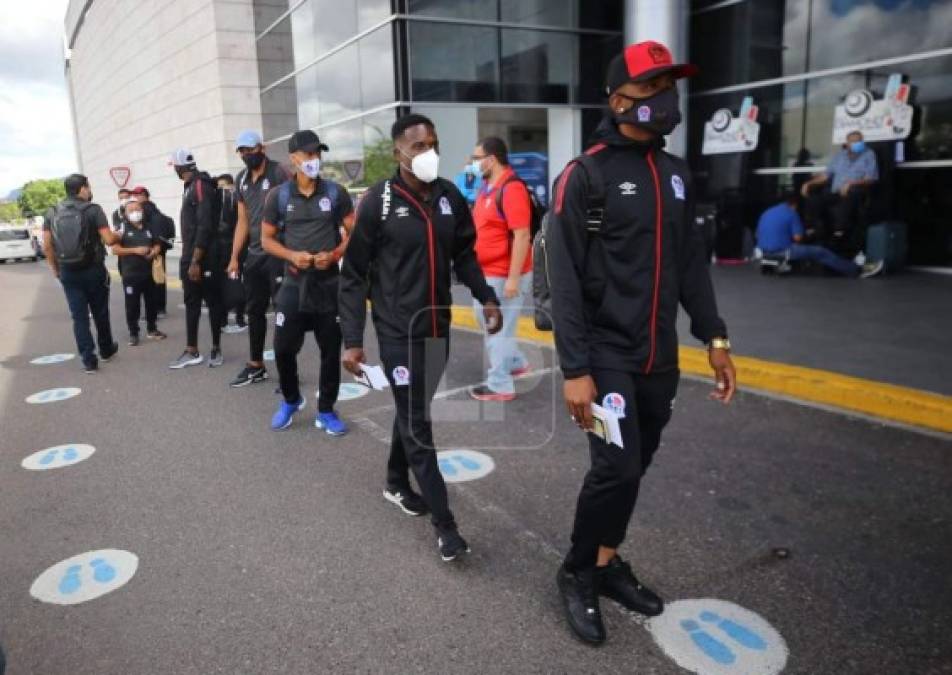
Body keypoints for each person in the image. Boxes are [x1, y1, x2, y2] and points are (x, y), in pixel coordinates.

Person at [547, 41, 737, 645]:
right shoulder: (585, 175)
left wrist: (714, 335)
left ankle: (605, 563)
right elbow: (563, 279)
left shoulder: (677, 175)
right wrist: (574, 368)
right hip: (603, 359)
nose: (667, 99)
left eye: (669, 86)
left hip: (660, 357)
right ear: (619, 98)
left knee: (636, 468)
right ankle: (577, 572)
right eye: (654, 87)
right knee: (615, 466)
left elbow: (691, 267)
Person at [340, 113, 503, 563]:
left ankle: (395, 481)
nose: (427, 152)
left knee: (413, 411)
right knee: (418, 422)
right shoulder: (378, 202)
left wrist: (486, 296)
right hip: (396, 331)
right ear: (398, 153)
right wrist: (353, 339)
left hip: (438, 327)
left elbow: (465, 254)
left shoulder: (450, 196)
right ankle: (445, 526)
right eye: (417, 146)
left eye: (432, 143)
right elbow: (353, 275)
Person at [259, 130, 352, 435]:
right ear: (294, 159)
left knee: (330, 350)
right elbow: (267, 239)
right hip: (294, 282)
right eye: (309, 155)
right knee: (283, 348)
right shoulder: (279, 196)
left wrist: (336, 253)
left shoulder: (336, 193)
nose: (314, 160)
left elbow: (354, 233)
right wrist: (291, 255)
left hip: (328, 284)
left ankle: (326, 410)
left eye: (318, 154)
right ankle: (291, 399)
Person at [468, 136, 533, 401]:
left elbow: (522, 235)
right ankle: (516, 362)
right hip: (487, 272)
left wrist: (513, 279)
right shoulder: (487, 186)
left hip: (504, 273)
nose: (472, 163)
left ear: (491, 159)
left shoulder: (512, 188)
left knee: (496, 326)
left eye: (476, 158)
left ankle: (500, 385)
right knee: (490, 322)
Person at [227, 129, 290, 387]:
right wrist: (234, 257)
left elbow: (293, 207)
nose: (246, 154)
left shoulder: (279, 173)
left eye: (250, 149)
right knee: (254, 310)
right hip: (253, 255)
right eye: (242, 151)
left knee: (284, 312)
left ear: (261, 148)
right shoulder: (241, 179)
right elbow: (242, 221)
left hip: (277, 252)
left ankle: (288, 372)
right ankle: (256, 365)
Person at [42, 173, 121, 373]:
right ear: (82, 189)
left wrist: (55, 269)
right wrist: (119, 234)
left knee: (79, 317)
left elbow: (47, 246)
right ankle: (106, 349)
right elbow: (109, 240)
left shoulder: (51, 212)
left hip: (68, 271)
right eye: (88, 186)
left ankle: (88, 360)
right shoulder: (93, 210)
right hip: (93, 270)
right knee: (100, 311)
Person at [168, 148, 225, 369]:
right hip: (190, 255)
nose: (174, 169)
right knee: (191, 302)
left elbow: (205, 224)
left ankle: (216, 348)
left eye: (174, 166)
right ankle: (192, 350)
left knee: (212, 301)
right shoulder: (190, 187)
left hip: (205, 257)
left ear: (180, 167)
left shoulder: (201, 185)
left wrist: (196, 260)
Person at [756, 193, 883, 278]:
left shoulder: (767, 212)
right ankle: (857, 271)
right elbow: (798, 238)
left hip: (763, 251)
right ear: (794, 205)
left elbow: (760, 233)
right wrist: (808, 233)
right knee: (821, 252)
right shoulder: (791, 213)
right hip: (783, 251)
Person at [801, 130, 878, 252]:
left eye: (860, 141)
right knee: (814, 198)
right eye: (855, 141)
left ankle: (839, 232)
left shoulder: (869, 154)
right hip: (836, 192)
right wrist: (809, 183)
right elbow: (826, 176)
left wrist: (851, 183)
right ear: (847, 143)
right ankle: (812, 229)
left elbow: (871, 178)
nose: (858, 143)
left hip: (856, 192)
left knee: (851, 194)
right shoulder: (839, 156)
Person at [110, 199, 168, 345]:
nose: (136, 212)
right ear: (125, 213)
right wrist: (135, 250)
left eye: (138, 209)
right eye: (132, 210)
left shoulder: (148, 227)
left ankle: (152, 329)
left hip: (149, 273)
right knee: (132, 305)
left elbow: (157, 244)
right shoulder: (122, 228)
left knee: (151, 303)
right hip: (131, 274)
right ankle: (133, 333)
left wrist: (154, 251)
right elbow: (115, 249)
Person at [131, 185, 175, 317]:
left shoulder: (145, 211)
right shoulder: (157, 211)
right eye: (135, 195)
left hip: (150, 249)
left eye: (139, 195)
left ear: (145, 196)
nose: (136, 198)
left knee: (151, 280)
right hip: (160, 249)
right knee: (159, 277)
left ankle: (154, 310)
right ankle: (160, 308)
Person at [217, 173, 247, 333]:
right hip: (221, 253)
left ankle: (240, 318)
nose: (223, 191)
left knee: (237, 285)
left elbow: (241, 225)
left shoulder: (237, 202)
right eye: (220, 188)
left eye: (225, 187)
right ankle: (223, 321)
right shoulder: (217, 205)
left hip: (236, 251)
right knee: (223, 287)